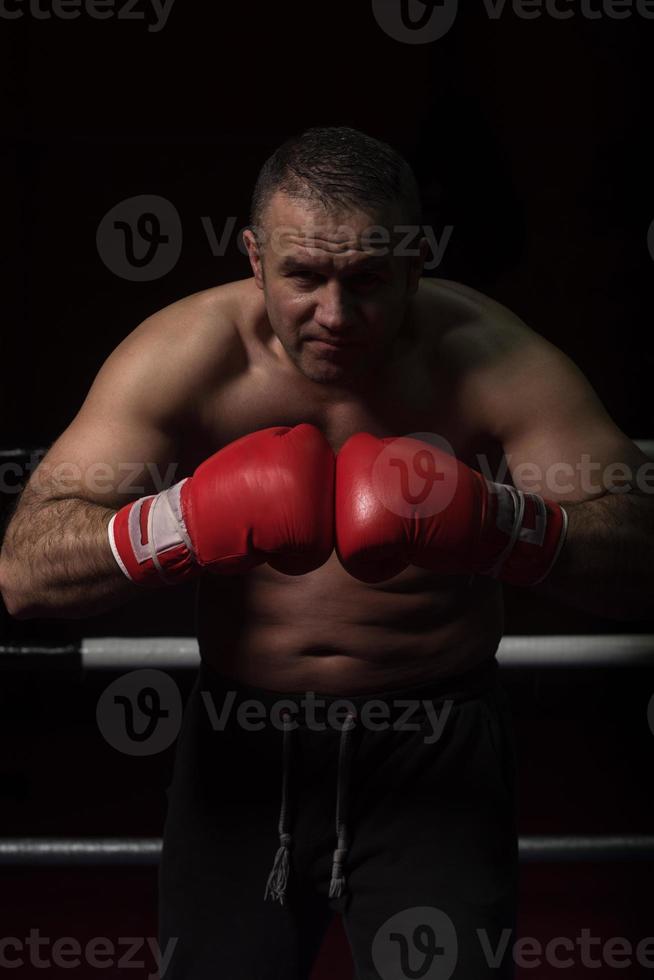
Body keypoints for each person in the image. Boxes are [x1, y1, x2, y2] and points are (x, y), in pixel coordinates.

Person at [0, 126, 651, 979]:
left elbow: (641, 555)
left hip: (436, 744)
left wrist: (500, 524)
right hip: (243, 742)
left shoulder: (491, 359)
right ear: (254, 259)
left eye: (368, 279)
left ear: (416, 261)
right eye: (303, 276)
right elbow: (23, 572)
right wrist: (184, 522)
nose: (336, 316)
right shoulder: (184, 357)